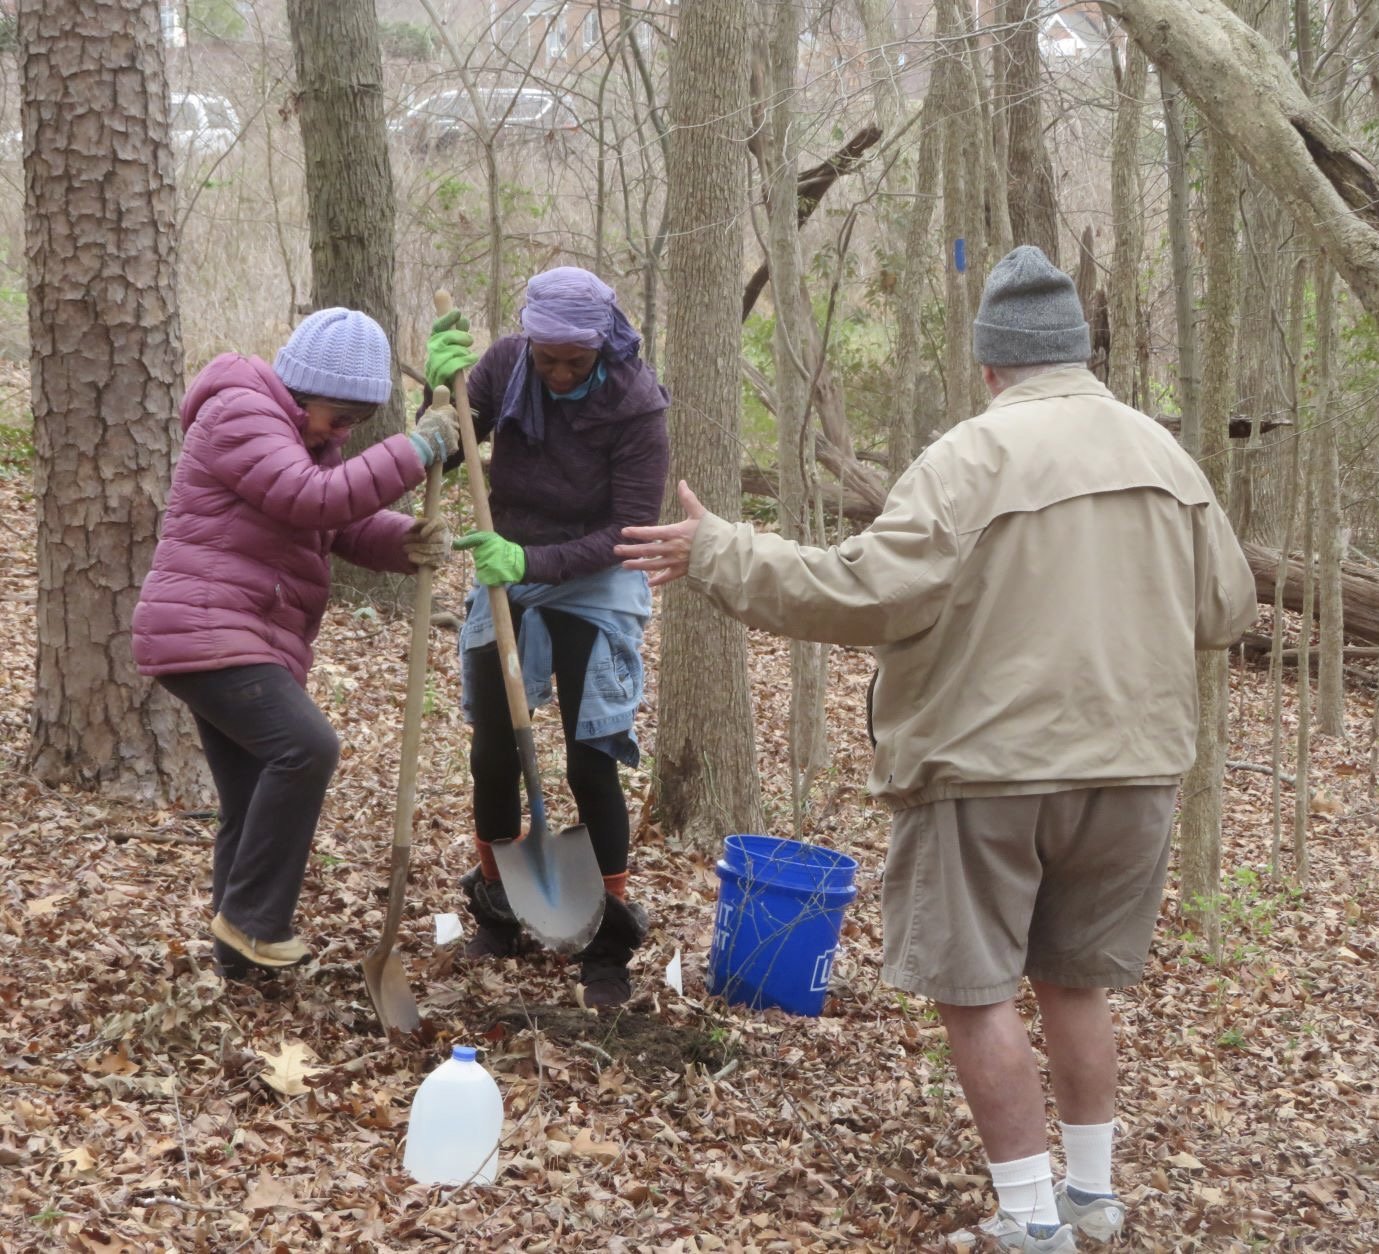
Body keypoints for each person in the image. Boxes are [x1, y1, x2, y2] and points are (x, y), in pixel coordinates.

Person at [616, 246, 1257, 1250]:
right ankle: (1090, 1198)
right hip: (1134, 769)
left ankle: (1029, 1219)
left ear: (991, 365)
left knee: (974, 988)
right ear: (1076, 354)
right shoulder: (1164, 456)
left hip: (987, 769)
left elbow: (864, 592)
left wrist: (721, 550)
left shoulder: (969, 458)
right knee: (1076, 981)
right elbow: (1226, 608)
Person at [133, 307, 460, 977]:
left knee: (252, 795)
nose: (340, 433)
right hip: (205, 630)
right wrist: (415, 449)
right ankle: (255, 922)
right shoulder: (242, 414)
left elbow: (332, 525)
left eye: (354, 425)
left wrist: (403, 540)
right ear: (299, 388)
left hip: (234, 631)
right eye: (336, 418)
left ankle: (238, 964)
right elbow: (309, 499)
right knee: (305, 746)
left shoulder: (301, 437)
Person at [425, 266, 670, 1009]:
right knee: (492, 750)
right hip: (509, 569)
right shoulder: (504, 364)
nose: (560, 373)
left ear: (603, 346)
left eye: (576, 360)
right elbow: (451, 446)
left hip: (593, 577)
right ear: (527, 341)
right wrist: (438, 397)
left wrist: (534, 559)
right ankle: (498, 911)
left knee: (589, 757)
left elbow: (626, 531)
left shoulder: (636, 406)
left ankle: (606, 942)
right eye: (547, 358)